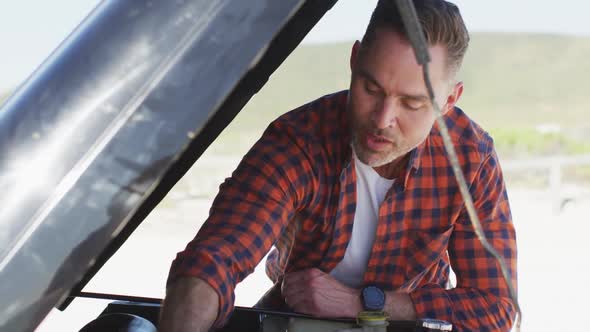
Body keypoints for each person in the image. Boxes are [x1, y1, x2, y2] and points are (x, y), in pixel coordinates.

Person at [159, 1, 517, 331]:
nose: (382, 119)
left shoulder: (472, 158)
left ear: (449, 100)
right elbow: (215, 259)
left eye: (411, 103)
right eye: (371, 88)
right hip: (295, 318)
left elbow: (497, 311)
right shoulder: (299, 141)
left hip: (410, 323)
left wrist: (364, 304)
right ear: (355, 59)